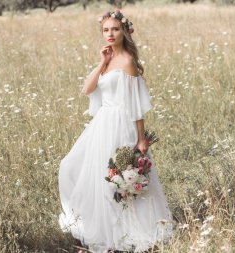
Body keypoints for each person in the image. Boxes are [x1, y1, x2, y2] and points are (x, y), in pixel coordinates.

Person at [58, 9, 174, 253]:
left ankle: (129, 230)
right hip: (102, 124)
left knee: (121, 177)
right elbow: (87, 90)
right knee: (74, 167)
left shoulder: (128, 62)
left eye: (115, 29)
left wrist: (141, 139)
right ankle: (103, 226)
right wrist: (102, 61)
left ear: (124, 31)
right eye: (106, 30)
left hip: (122, 124)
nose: (110, 34)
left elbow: (136, 106)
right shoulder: (107, 60)